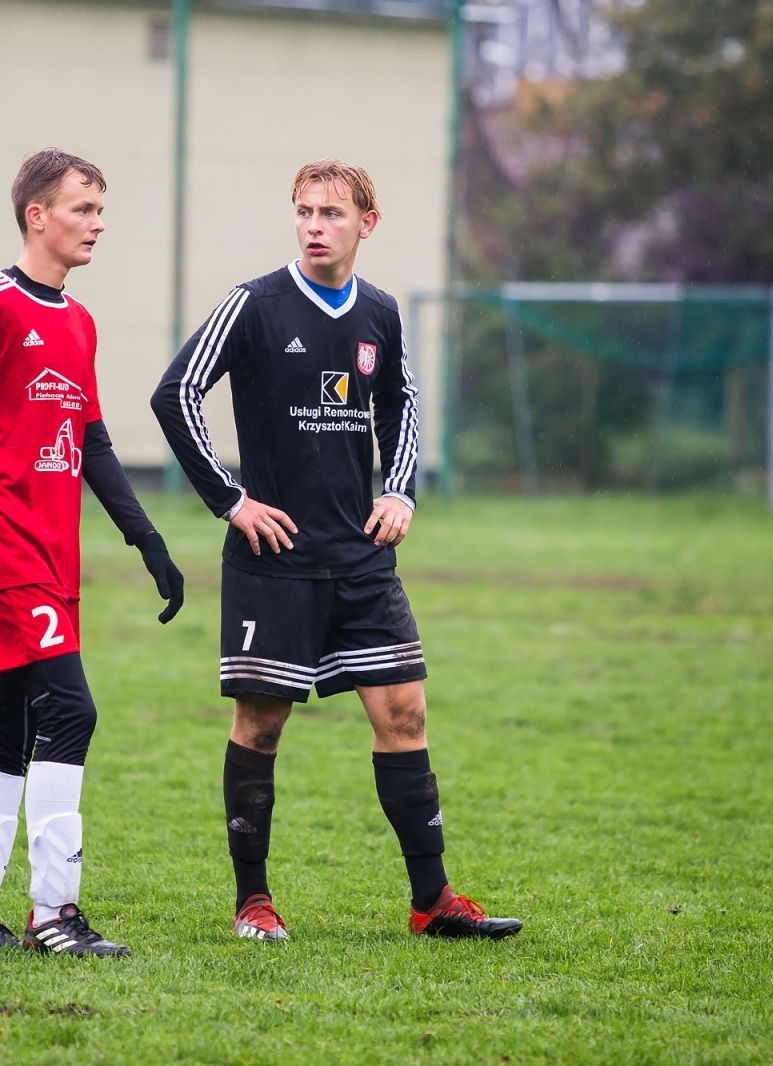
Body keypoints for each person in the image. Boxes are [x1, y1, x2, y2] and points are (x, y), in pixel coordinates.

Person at [150, 158, 520, 942]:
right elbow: (174, 393)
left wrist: (400, 491)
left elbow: (403, 404)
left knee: (405, 712)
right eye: (305, 212)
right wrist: (231, 499)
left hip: (359, 558)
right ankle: (253, 902)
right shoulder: (254, 305)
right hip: (275, 559)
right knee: (261, 725)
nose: (315, 226)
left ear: (366, 224)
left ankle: (432, 901)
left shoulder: (379, 312)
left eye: (332, 213)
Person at [0, 148, 184, 955]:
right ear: (37, 216)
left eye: (100, 211)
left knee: (10, 726)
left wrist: (146, 538)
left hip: (52, 554)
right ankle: (55, 916)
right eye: (81, 209)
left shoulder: (78, 321)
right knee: (71, 711)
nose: (96, 224)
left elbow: (90, 438)